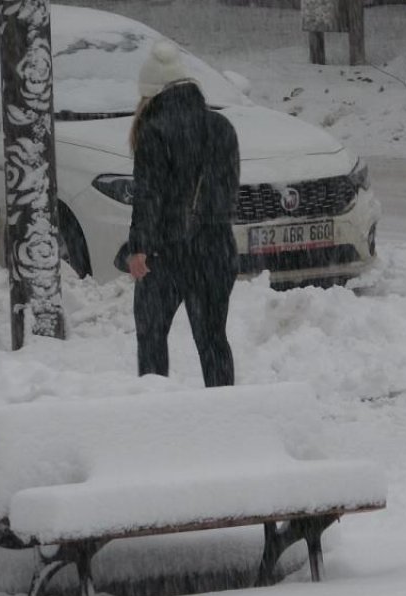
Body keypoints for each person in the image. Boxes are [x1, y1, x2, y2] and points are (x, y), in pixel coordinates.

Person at [126, 41, 240, 387]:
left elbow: (149, 196)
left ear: (150, 95)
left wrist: (139, 248)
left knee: (151, 339)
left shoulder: (153, 132)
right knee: (213, 341)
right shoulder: (222, 127)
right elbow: (226, 192)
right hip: (216, 249)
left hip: (167, 253)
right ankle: (223, 412)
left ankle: (155, 409)